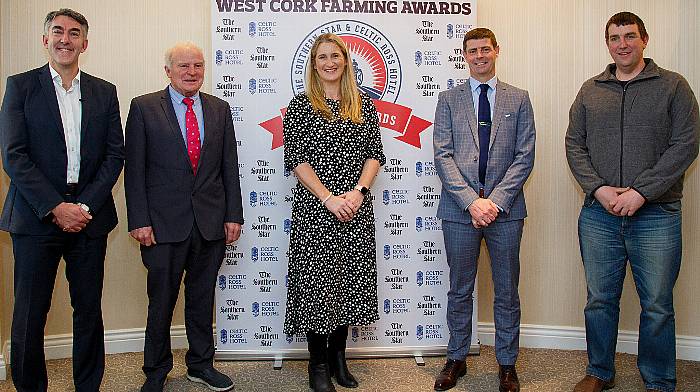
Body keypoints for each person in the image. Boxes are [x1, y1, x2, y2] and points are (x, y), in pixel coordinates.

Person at [566, 12, 699, 392]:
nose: (621, 44)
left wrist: (642, 192)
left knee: (657, 304)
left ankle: (658, 380)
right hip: (599, 214)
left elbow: (685, 145)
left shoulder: (674, 86)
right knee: (599, 299)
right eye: (614, 37)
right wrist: (600, 189)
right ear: (606, 43)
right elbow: (574, 145)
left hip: (656, 213)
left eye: (629, 36)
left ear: (645, 39)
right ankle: (599, 372)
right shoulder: (590, 90)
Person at [0, 8, 124, 391]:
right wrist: (56, 207)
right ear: (45, 39)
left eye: (74, 33)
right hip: (37, 217)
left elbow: (113, 155)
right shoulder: (21, 86)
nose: (65, 39)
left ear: (85, 43)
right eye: (58, 32)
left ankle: (88, 385)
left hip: (89, 218)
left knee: (88, 310)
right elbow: (13, 155)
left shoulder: (104, 91)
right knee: (30, 313)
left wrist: (82, 206)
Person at [124, 42, 243, 392]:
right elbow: (135, 171)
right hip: (161, 225)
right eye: (183, 66)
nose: (191, 72)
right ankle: (156, 372)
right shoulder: (144, 108)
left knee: (202, 297)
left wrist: (233, 215)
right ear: (168, 71)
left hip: (210, 223)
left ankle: (201, 365)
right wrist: (139, 220)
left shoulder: (219, 109)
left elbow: (228, 168)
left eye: (198, 66)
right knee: (161, 300)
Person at [432, 28, 536, 392]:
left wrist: (494, 201)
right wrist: (471, 201)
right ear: (465, 55)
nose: (479, 56)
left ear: (496, 51)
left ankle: (507, 364)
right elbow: (442, 154)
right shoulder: (448, 99)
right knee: (460, 289)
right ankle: (456, 357)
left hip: (505, 211)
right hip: (459, 210)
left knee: (507, 290)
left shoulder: (518, 98)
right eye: (473, 51)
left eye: (485, 49)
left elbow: (525, 156)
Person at [282, 33, 385, 392]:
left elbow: (375, 155)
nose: (329, 62)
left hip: (355, 209)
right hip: (316, 210)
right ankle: (318, 364)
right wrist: (329, 198)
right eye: (322, 56)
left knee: (348, 285)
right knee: (316, 287)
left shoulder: (364, 106)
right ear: (314, 64)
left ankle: (340, 358)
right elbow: (297, 159)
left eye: (335, 56)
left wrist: (358, 192)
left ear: (345, 61)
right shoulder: (300, 106)